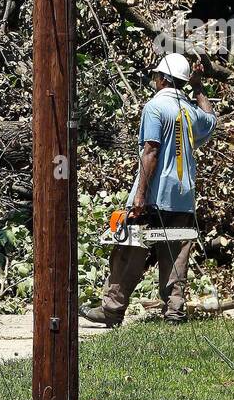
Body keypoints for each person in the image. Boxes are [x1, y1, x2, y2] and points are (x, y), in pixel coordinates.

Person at [80, 52, 216, 327]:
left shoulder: (155, 107)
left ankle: (112, 309)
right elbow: (211, 120)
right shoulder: (190, 110)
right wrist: (199, 86)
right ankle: (174, 310)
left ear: (162, 79)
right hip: (183, 196)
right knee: (176, 252)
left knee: (130, 249)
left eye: (156, 76)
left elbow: (150, 151)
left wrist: (140, 196)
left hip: (155, 193)